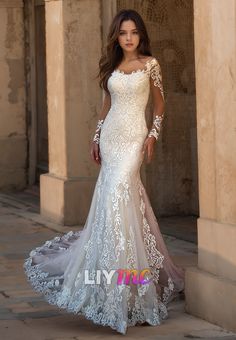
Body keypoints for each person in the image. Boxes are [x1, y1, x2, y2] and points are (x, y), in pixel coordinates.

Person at [23, 9, 185, 335]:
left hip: (134, 141)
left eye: (134, 33)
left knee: (119, 198)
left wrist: (153, 135)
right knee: (115, 214)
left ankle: (132, 293)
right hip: (111, 140)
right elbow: (106, 106)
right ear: (117, 36)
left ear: (141, 36)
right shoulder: (113, 67)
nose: (128, 38)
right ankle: (114, 288)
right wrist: (96, 137)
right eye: (123, 33)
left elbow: (160, 104)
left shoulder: (150, 65)